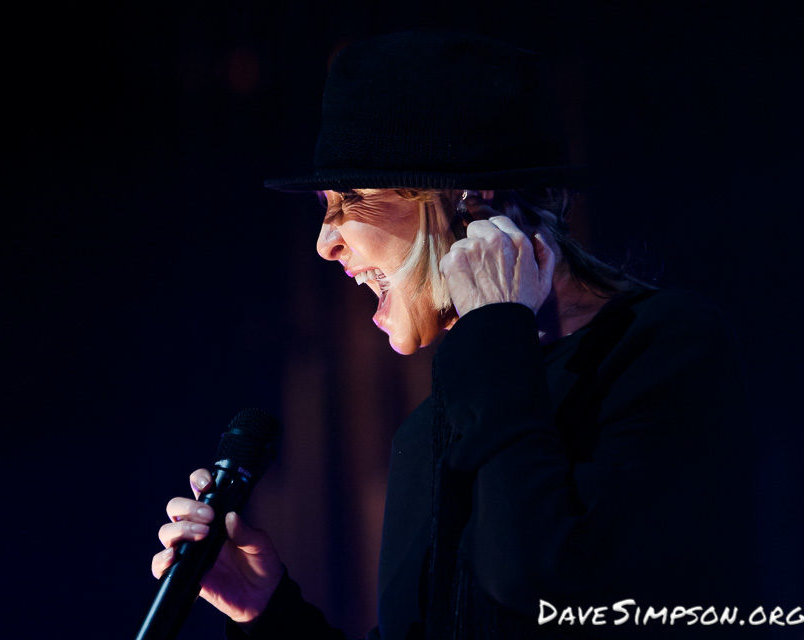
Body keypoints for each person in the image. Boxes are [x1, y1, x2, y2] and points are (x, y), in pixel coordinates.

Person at [150, 32, 761, 639]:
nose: (325, 242)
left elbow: (546, 584)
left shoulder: (665, 350)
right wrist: (268, 612)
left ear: (470, 201)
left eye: (352, 199)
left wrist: (497, 329)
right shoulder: (430, 432)